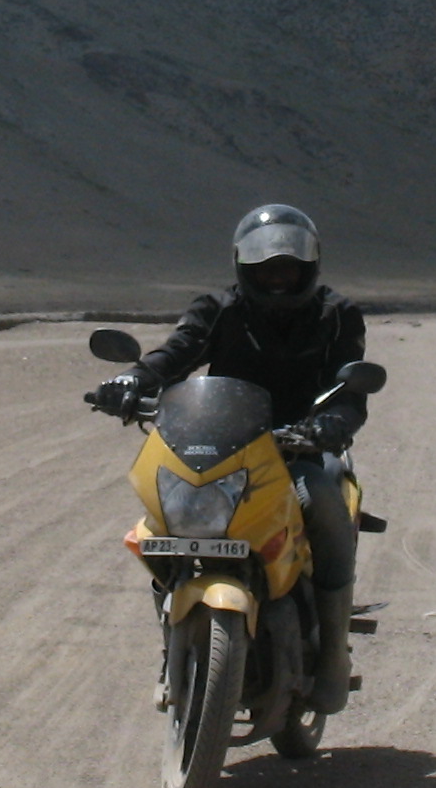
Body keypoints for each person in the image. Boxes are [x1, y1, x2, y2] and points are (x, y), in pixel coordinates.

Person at [87, 203, 372, 711]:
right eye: (265, 267)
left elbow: (350, 390)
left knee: (325, 500)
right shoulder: (218, 308)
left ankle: (332, 655)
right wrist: (134, 380)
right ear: (243, 265)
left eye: (288, 267)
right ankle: (174, 640)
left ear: (309, 265)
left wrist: (333, 423)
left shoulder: (337, 313)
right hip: (226, 446)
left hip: (299, 448)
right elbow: (176, 353)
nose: (277, 277)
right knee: (163, 520)